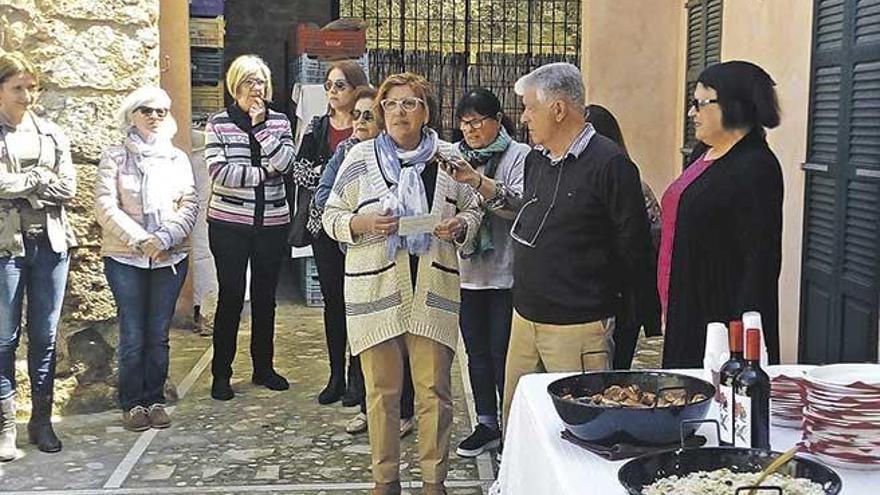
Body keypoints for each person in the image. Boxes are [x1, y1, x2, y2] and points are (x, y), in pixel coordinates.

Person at [322, 72, 482, 495]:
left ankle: (434, 481)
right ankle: (385, 480)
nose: (398, 112)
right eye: (391, 104)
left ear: (426, 111)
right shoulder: (358, 158)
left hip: (432, 292)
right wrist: (362, 222)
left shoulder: (448, 159)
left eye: (410, 103)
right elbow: (330, 215)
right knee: (380, 393)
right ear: (380, 111)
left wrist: (460, 224)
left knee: (435, 394)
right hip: (375, 292)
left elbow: (474, 208)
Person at [500, 63, 653, 437]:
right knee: (520, 425)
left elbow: (634, 246)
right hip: (525, 319)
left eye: (529, 108)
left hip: (578, 328)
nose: (523, 119)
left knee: (579, 431)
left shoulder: (611, 164)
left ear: (558, 109)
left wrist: (620, 312)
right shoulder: (536, 159)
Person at [660, 60, 782, 369]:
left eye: (700, 103)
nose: (692, 113)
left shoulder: (756, 167)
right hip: (685, 304)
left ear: (732, 104)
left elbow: (760, 261)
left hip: (718, 320)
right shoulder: (704, 153)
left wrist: (738, 345)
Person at [313, 85, 416, 438]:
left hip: (404, 260)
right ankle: (364, 405)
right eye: (355, 115)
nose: (358, 122)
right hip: (359, 256)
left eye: (367, 116)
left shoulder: (406, 157)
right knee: (365, 337)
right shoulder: (346, 154)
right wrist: (359, 219)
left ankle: (404, 410)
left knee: (399, 339)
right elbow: (325, 197)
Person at [96, 87, 197, 431]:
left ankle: (154, 398)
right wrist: (141, 241)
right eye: (147, 110)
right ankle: (131, 403)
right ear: (132, 114)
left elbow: (189, 204)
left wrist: (164, 238)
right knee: (133, 332)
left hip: (169, 257)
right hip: (126, 258)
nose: (155, 117)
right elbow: (106, 206)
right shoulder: (114, 157)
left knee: (158, 332)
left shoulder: (177, 158)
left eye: (161, 111)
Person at [443, 88, 529, 457]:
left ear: (497, 120)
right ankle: (486, 423)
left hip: (507, 273)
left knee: (502, 353)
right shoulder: (452, 157)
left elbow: (520, 205)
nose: (470, 129)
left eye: (477, 121)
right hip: (466, 273)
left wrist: (477, 182)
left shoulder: (519, 155)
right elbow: (449, 204)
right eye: (464, 123)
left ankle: (513, 425)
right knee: (475, 353)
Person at [205, 55, 296, 401]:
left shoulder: (279, 121)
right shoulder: (219, 123)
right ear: (235, 86)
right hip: (229, 225)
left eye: (260, 82)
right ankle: (221, 373)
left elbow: (287, 164)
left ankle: (263, 367)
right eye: (248, 82)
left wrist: (261, 130)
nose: (255, 89)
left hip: (272, 224)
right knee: (231, 297)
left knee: (265, 298)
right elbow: (220, 173)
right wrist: (264, 173)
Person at [0, 52, 76, 460]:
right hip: (5, 247)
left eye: (32, 87)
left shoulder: (51, 133)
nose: (27, 96)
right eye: (18, 88)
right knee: (3, 338)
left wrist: (22, 186)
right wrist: (35, 181)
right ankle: (5, 426)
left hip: (51, 243)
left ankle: (41, 421)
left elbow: (68, 188)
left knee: (44, 338)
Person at [295, 60, 369, 406]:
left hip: (361, 228)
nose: (333, 92)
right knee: (333, 303)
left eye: (340, 85)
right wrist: (336, 170)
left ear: (356, 89)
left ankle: (358, 376)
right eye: (328, 85)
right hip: (325, 226)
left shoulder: (369, 127)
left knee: (359, 303)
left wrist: (330, 173)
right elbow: (300, 172)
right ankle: (335, 374)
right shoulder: (317, 126)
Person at [584, 103, 662, 370]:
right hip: (626, 294)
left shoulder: (624, 180)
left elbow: (647, 241)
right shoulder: (637, 184)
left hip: (611, 293)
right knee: (618, 368)